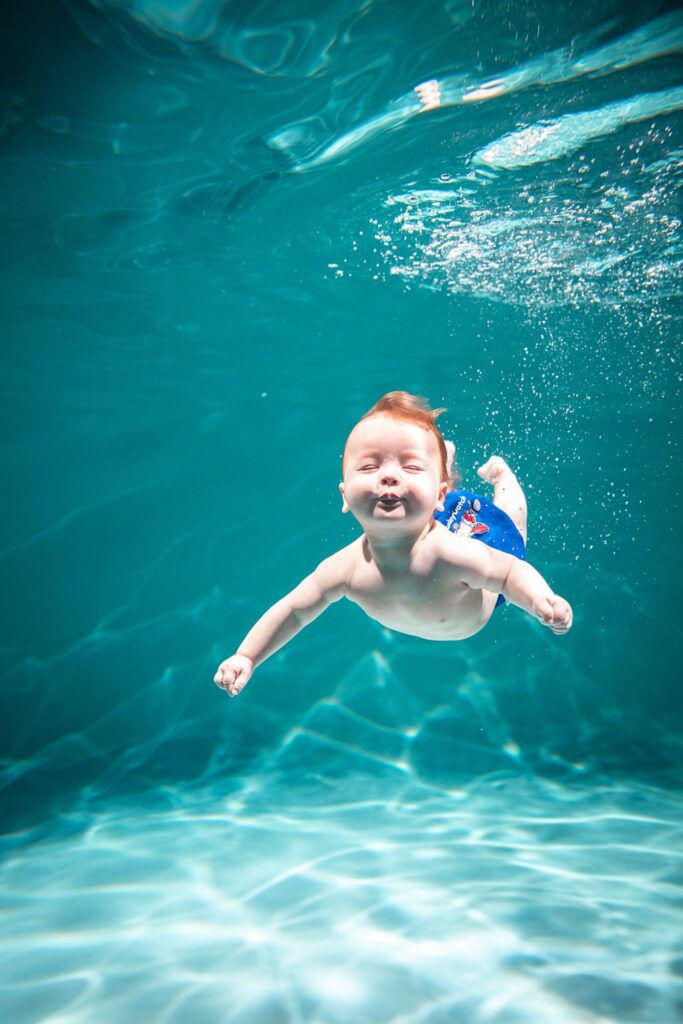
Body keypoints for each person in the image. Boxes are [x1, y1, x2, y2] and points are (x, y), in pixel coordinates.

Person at [214, 392, 573, 698]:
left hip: (479, 579)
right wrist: (247, 656)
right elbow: (294, 610)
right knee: (423, 482)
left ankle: (499, 475)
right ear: (344, 496)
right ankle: (433, 463)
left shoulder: (453, 555)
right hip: (433, 506)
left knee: (510, 524)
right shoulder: (344, 569)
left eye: (407, 466)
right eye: (369, 467)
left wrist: (539, 600)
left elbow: (510, 572)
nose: (387, 474)